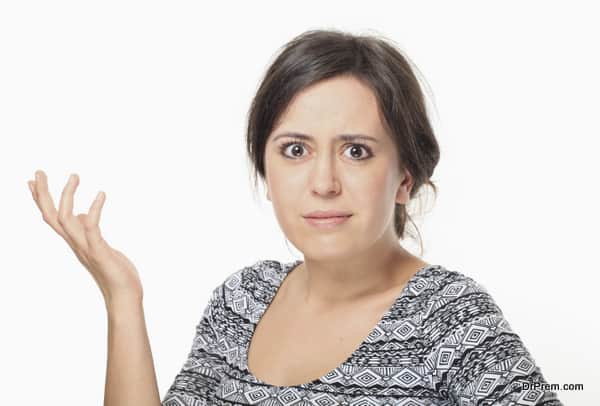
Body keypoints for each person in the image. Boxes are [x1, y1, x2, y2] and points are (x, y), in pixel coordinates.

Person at [28, 29, 563, 405]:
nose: (324, 182)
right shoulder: (243, 300)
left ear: (406, 177)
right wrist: (123, 299)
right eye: (294, 150)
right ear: (265, 169)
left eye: (356, 151)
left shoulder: (450, 317)